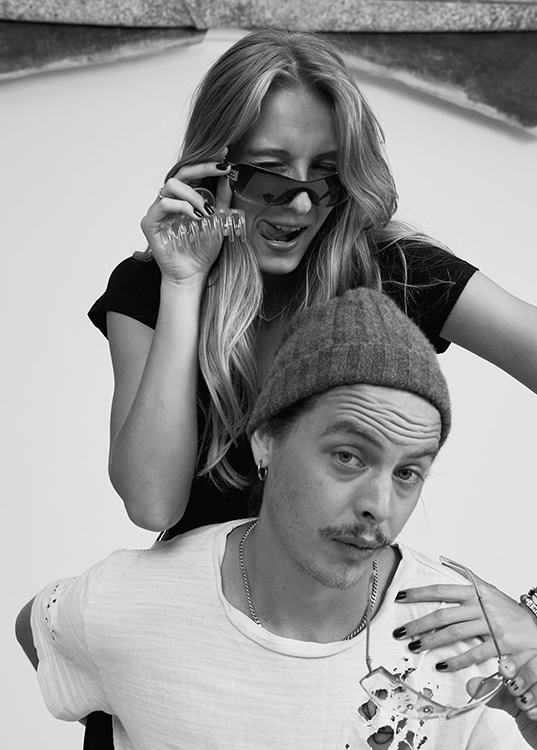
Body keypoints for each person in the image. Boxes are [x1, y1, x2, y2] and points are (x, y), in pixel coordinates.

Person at [86, 28, 537, 747]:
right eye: (270, 178)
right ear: (213, 174)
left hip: (346, 658)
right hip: (192, 653)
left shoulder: (395, 270)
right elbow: (151, 501)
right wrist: (183, 282)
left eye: (324, 177)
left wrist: (531, 618)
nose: (299, 207)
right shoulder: (150, 287)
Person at [17, 289, 537, 749]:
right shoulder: (127, 601)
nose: (379, 506)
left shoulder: (465, 645)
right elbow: (37, 630)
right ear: (266, 440)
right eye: (348, 456)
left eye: (407, 473)